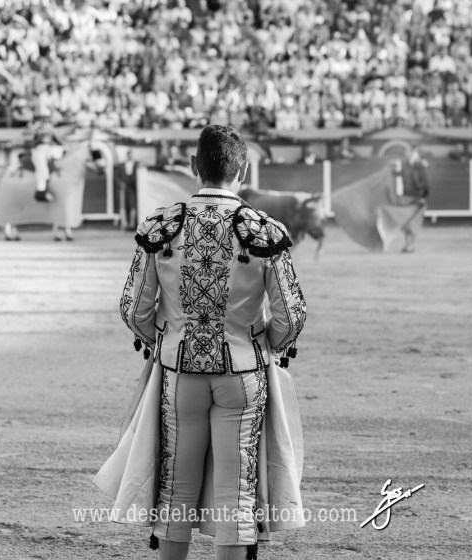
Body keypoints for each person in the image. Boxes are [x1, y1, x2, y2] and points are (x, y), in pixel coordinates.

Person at [98, 125, 307, 560]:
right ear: (243, 171)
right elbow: (293, 313)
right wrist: (262, 345)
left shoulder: (162, 226)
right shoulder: (264, 230)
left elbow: (133, 308)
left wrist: (167, 340)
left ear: (194, 166)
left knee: (176, 488)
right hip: (243, 374)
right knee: (236, 493)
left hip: (180, 373)